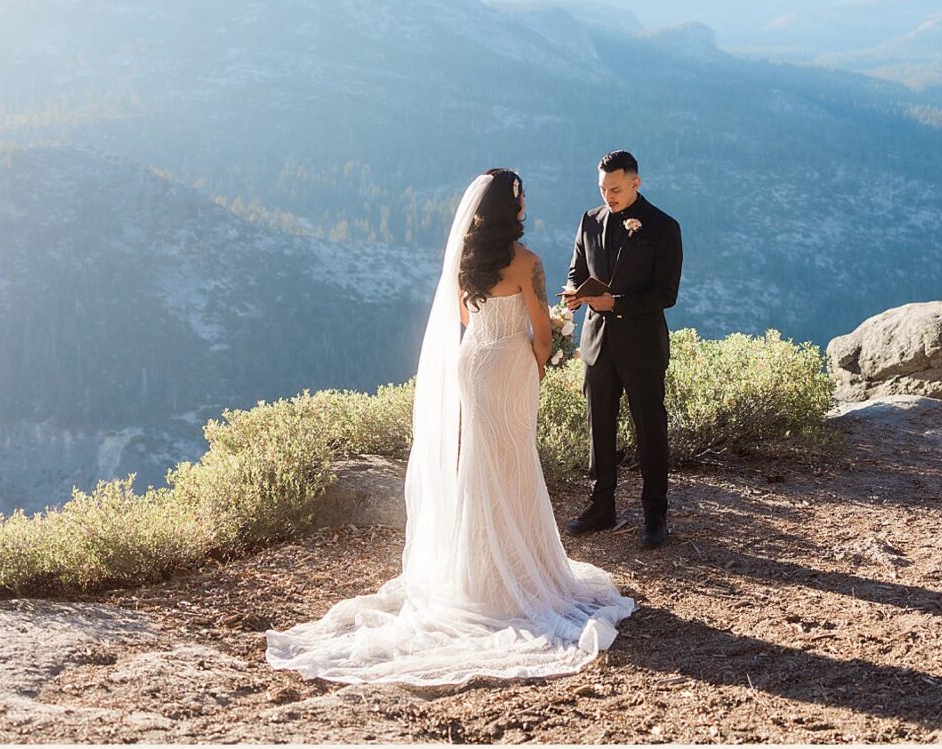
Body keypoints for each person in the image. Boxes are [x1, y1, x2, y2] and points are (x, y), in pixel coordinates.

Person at [264, 169, 635, 685]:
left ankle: (478, 575)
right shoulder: (528, 263)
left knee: (478, 464)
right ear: (514, 207)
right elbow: (540, 332)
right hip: (509, 365)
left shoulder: (467, 261)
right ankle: (517, 573)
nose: (526, 202)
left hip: (473, 362)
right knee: (515, 461)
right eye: (522, 196)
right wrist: (538, 361)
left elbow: (464, 314)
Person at [561, 150, 683, 549]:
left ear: (636, 182)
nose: (607, 196)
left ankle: (655, 513)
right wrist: (575, 295)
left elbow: (666, 294)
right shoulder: (589, 220)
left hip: (642, 344)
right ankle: (602, 506)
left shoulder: (664, 227)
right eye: (602, 188)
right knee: (599, 426)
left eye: (615, 189)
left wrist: (620, 304)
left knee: (650, 427)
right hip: (597, 342)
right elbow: (577, 269)